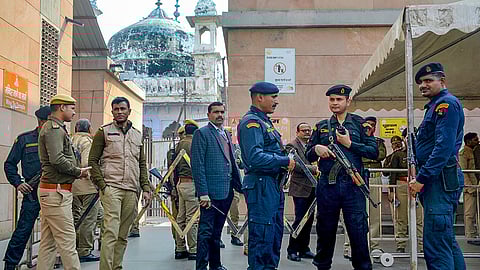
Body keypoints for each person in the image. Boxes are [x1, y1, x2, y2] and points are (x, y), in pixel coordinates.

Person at [306, 84, 378, 270]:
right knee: (325, 230)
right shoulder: (322, 126)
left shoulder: (361, 125)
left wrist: (350, 143)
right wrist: (316, 149)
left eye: (339, 99)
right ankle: (322, 265)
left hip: (353, 186)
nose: (335, 103)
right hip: (327, 186)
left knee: (358, 231)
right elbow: (308, 154)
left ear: (348, 101)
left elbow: (374, 152)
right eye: (332, 100)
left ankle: (362, 267)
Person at [409, 62, 465, 269]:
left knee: (436, 245)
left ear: (442, 81)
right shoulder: (435, 106)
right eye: (421, 82)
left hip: (438, 181)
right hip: (437, 180)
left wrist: (421, 179)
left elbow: (443, 148)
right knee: (445, 241)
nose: (423, 85)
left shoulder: (446, 105)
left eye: (428, 81)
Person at [88, 96, 152, 270]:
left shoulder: (137, 135)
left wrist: (145, 187)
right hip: (112, 188)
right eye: (116, 109)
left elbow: (141, 163)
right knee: (110, 231)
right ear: (112, 112)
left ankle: (117, 266)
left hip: (132, 190)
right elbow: (92, 161)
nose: (119, 112)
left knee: (123, 234)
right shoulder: (104, 132)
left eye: (122, 109)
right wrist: (103, 186)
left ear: (129, 111)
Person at [237, 82, 295, 269]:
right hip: (261, 186)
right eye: (273, 97)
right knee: (262, 236)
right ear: (259, 97)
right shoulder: (251, 123)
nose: (276, 101)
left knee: (273, 236)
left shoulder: (264, 121)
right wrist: (284, 161)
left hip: (272, 185)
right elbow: (254, 158)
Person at [37, 94, 89, 270]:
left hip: (54, 192)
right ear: (61, 107)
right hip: (56, 193)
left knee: (48, 244)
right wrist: (78, 172)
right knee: (67, 243)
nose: (74, 112)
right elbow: (57, 159)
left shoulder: (56, 128)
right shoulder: (53, 129)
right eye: (72, 108)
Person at [191, 102, 243, 270]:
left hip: (226, 191)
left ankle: (216, 265)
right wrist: (203, 193)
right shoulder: (202, 133)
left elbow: (231, 163)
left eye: (222, 112)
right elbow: (197, 166)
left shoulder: (226, 134)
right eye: (216, 112)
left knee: (217, 232)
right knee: (205, 232)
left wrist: (239, 186)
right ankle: (201, 267)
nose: (219, 115)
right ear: (209, 115)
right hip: (210, 194)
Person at [3, 106, 50, 270]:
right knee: (23, 230)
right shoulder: (25, 139)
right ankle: (10, 264)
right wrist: (18, 183)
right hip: (33, 193)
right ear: (42, 121)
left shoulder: (60, 138)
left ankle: (51, 262)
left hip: (54, 192)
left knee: (59, 231)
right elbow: (9, 164)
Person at [286, 122, 317, 262]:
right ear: (297, 132)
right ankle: (292, 250)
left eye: (309, 130)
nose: (307, 132)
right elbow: (293, 165)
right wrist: (312, 169)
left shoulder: (312, 146)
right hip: (299, 188)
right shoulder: (292, 146)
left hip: (313, 187)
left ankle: (304, 248)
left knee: (309, 220)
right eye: (304, 130)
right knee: (299, 220)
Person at [388, 129, 423, 253]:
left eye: (413, 136)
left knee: (420, 218)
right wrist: (392, 191)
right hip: (402, 185)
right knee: (401, 217)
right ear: (403, 139)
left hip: (418, 186)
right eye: (407, 137)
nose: (410, 140)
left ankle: (421, 245)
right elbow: (393, 174)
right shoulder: (398, 154)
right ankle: (401, 244)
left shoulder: (421, 153)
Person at [71, 119, 100, 262]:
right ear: (89, 129)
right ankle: (84, 250)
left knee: (75, 217)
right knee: (89, 219)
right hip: (87, 186)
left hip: (71, 186)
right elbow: (87, 164)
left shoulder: (70, 140)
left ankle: (75, 247)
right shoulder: (87, 142)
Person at [173, 119, 200, 260]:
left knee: (180, 218)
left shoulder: (179, 145)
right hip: (192, 185)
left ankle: (180, 248)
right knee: (193, 219)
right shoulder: (194, 144)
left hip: (181, 184)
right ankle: (194, 249)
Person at [361, 116, 386, 251]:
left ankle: (374, 245)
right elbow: (359, 154)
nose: (370, 127)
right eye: (367, 125)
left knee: (375, 213)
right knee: (356, 212)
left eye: (372, 125)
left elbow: (380, 155)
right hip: (359, 177)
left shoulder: (378, 141)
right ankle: (351, 246)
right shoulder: (356, 140)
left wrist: (368, 152)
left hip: (374, 177)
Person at [459, 132, 480, 245]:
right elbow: (463, 172)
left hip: (477, 185)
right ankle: (470, 235)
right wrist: (469, 187)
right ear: (468, 141)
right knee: (470, 213)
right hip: (470, 187)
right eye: (475, 140)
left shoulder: (475, 151)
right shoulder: (463, 153)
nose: (477, 141)